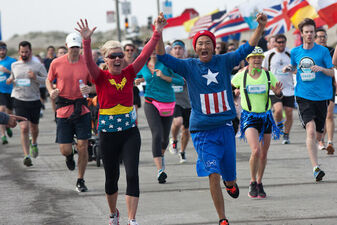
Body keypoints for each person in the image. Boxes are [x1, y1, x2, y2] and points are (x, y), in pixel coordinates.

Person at [156, 12, 267, 225]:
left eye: (208, 43)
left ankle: (231, 182)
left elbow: (247, 49)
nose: (204, 46)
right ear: (195, 48)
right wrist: (158, 31)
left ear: (214, 47)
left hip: (225, 128)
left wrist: (260, 27)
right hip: (202, 132)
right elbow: (162, 56)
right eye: (200, 44)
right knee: (212, 172)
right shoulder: (188, 65)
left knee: (229, 177)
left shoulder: (224, 61)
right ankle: (222, 218)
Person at [76, 14, 166, 225]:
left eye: (120, 56)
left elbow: (144, 54)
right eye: (112, 56)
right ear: (105, 60)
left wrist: (157, 32)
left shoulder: (129, 72)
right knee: (111, 179)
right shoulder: (100, 77)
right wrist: (86, 41)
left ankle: (132, 219)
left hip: (129, 134)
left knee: (132, 175)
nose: (117, 59)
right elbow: (88, 61)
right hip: (107, 135)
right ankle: (113, 213)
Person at [283, 18, 334, 182]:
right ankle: (316, 168)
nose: (310, 34)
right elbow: (294, 67)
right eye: (306, 32)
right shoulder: (296, 52)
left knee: (319, 133)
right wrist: (289, 68)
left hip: (322, 96)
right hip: (303, 95)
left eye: (312, 31)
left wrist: (322, 69)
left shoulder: (323, 51)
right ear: (302, 34)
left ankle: (320, 141)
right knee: (310, 130)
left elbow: (332, 72)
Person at [232, 46, 283, 199]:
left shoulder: (268, 75)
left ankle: (260, 182)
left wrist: (279, 93)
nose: (257, 60)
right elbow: (230, 88)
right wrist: (234, 97)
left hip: (266, 116)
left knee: (264, 154)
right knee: (256, 150)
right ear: (248, 59)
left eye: (259, 58)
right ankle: (252, 181)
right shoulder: (241, 75)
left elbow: (277, 93)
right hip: (249, 117)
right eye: (253, 57)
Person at [46, 32, 92, 192]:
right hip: (63, 109)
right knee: (65, 149)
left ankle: (80, 179)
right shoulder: (56, 63)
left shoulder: (87, 62)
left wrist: (90, 88)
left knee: (83, 145)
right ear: (66, 46)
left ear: (80, 48)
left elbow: (96, 85)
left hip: (82, 108)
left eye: (77, 47)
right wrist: (51, 90)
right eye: (72, 47)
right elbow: (48, 80)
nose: (74, 50)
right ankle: (68, 156)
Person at [138, 38, 184, 183]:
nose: (152, 51)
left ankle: (161, 156)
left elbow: (181, 80)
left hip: (168, 102)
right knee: (156, 134)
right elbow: (134, 77)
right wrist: (137, 80)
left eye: (154, 47)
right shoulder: (142, 65)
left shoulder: (166, 62)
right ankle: (160, 170)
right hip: (150, 102)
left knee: (164, 138)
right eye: (149, 47)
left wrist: (164, 77)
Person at [7, 41, 47, 167]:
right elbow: (13, 78)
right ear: (19, 51)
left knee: (34, 128)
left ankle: (34, 143)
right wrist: (10, 80)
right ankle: (26, 155)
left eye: (26, 52)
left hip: (34, 100)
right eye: (22, 52)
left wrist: (35, 77)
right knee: (24, 128)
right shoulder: (14, 65)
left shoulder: (38, 65)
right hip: (19, 99)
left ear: (30, 51)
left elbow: (47, 81)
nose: (24, 54)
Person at [263, 34, 294, 144]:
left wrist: (291, 68)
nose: (281, 44)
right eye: (279, 42)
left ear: (285, 42)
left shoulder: (290, 53)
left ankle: (286, 135)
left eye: (283, 42)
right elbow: (264, 69)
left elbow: (296, 68)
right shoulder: (268, 54)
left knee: (289, 112)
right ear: (275, 43)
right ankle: (279, 124)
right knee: (278, 110)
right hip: (274, 88)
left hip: (289, 88)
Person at [168, 40, 191, 163]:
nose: (177, 50)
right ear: (171, 50)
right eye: (175, 48)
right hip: (173, 99)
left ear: (184, 51)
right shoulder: (168, 65)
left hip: (187, 101)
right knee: (178, 121)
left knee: (186, 130)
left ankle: (182, 152)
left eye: (180, 48)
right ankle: (174, 139)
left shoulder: (187, 64)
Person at [315, 28, 335, 154]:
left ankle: (330, 142)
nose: (322, 38)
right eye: (320, 36)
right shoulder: (311, 52)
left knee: (329, 114)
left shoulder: (332, 51)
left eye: (324, 36)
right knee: (320, 116)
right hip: (316, 87)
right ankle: (320, 139)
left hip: (330, 86)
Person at [0, 41, 16, 144]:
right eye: (0, 49)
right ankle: (3, 136)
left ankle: (7, 126)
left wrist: (8, 71)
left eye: (3, 49)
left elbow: (17, 75)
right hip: (0, 91)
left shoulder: (12, 61)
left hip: (11, 91)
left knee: (9, 113)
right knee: (1, 110)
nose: (2, 51)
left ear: (6, 50)